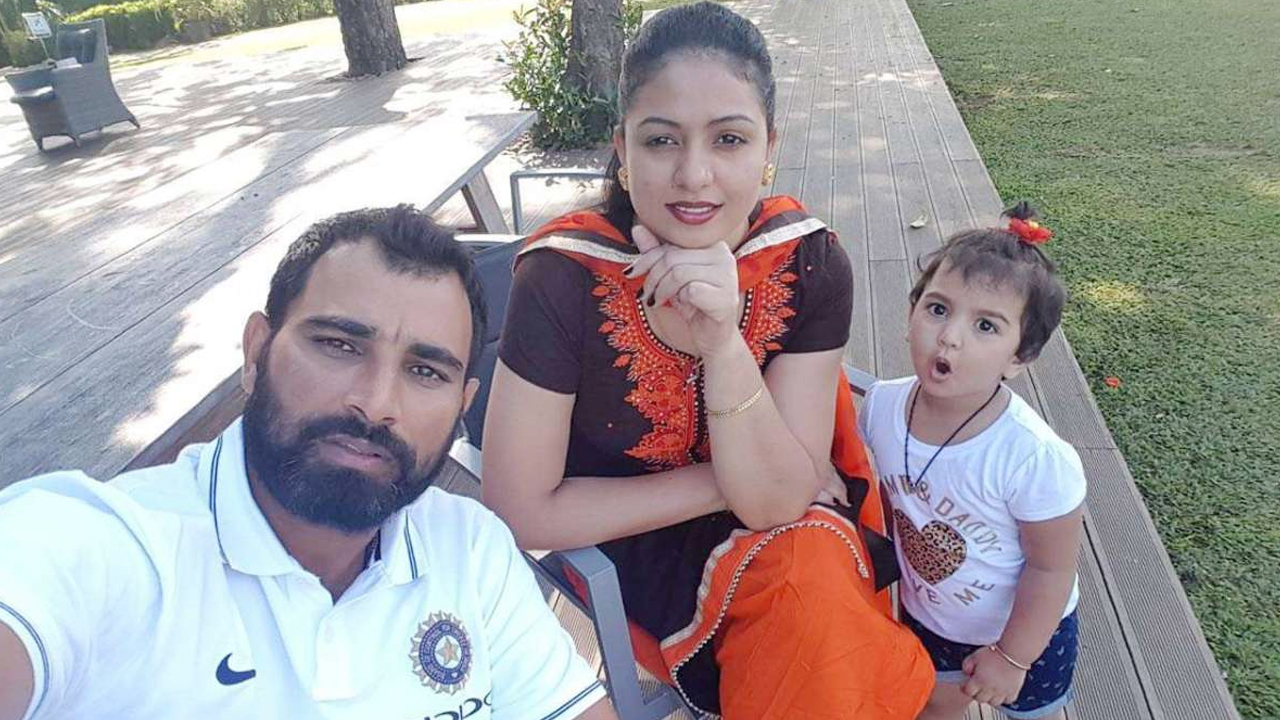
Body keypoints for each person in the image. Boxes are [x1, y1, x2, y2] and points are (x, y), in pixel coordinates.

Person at [480, 3, 934, 717]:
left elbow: (781, 503)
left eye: (728, 139)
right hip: (626, 537)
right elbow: (521, 511)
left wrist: (722, 341)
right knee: (813, 607)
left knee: (809, 581)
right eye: (662, 140)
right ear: (623, 150)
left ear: (768, 148)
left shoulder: (807, 263)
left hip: (788, 534)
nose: (695, 175)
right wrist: (733, 483)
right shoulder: (563, 279)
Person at [0, 206, 615, 720]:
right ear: (255, 353)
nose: (377, 404)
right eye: (339, 345)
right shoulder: (101, 547)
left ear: (463, 405)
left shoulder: (471, 549)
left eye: (425, 371)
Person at [857, 204, 1085, 720]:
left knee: (1034, 714)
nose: (950, 336)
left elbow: (1051, 568)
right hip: (930, 616)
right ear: (912, 312)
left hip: (1025, 634)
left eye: (985, 325)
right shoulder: (881, 407)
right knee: (931, 705)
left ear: (1020, 356)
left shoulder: (1033, 457)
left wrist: (1012, 657)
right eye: (938, 309)